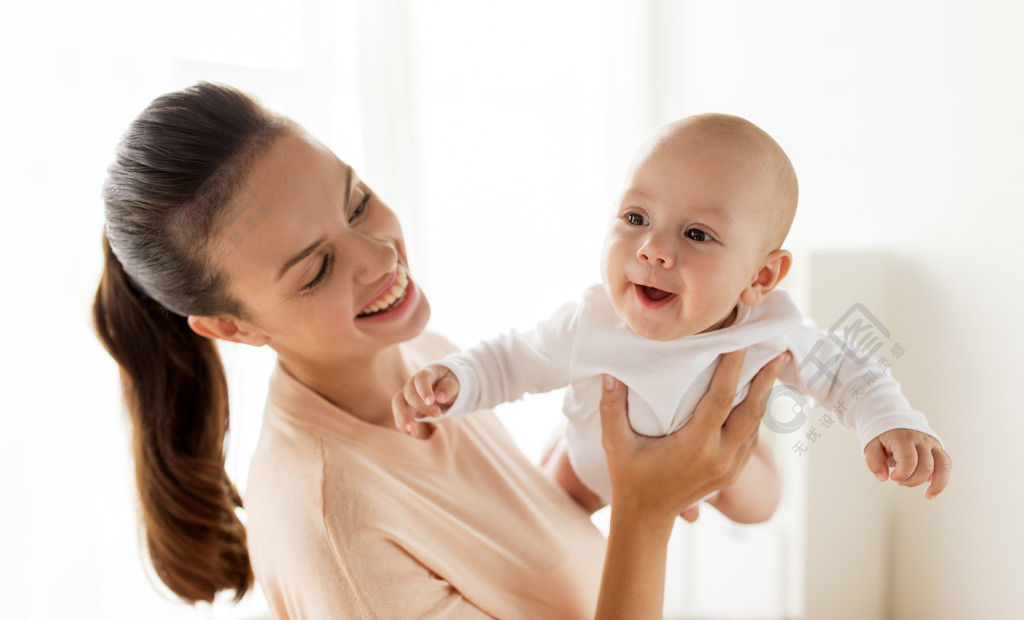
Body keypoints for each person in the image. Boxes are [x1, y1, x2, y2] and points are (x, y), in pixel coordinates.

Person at [92, 82, 792, 619]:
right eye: (315, 269)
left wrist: (629, 433)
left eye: (357, 201)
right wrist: (647, 510)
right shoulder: (336, 531)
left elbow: (520, 541)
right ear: (234, 328)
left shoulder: (420, 354)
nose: (379, 257)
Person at [394, 114, 952, 521]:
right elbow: (515, 360)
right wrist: (458, 380)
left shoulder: (770, 331)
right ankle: (557, 459)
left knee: (759, 502)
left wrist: (891, 422)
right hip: (593, 467)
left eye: (696, 234)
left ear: (759, 278)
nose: (652, 250)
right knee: (545, 513)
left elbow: (851, 374)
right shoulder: (593, 320)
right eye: (636, 217)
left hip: (709, 473)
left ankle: (735, 464)